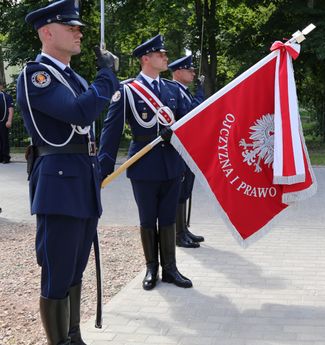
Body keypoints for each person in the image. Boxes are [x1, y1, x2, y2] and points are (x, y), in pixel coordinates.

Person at [16, 0, 119, 344]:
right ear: (47, 32)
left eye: (79, 27)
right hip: (59, 187)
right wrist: (105, 75)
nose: (79, 32)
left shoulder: (71, 76)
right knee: (58, 273)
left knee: (76, 269)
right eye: (69, 27)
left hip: (81, 181)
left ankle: (74, 338)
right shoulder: (37, 75)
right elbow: (79, 112)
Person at [99, 34, 193, 291]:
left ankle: (171, 269)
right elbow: (111, 131)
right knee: (148, 218)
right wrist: (102, 168)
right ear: (145, 59)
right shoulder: (127, 90)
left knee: (168, 218)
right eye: (160, 54)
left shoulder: (173, 90)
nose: (165, 57)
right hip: (144, 165)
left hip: (172, 163)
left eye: (164, 54)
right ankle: (152, 267)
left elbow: (189, 124)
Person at [167, 55, 205, 248]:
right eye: (189, 70)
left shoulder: (184, 92)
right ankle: (177, 234)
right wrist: (200, 91)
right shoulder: (174, 91)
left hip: (187, 149)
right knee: (180, 191)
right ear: (178, 72)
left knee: (185, 190)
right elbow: (194, 111)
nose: (193, 73)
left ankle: (183, 230)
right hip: (179, 149)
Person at [0, 82, 14, 164]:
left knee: (4, 139)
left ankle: (5, 157)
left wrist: (9, 120)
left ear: (1, 86)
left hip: (3, 121)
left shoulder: (6, 96)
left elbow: (10, 108)